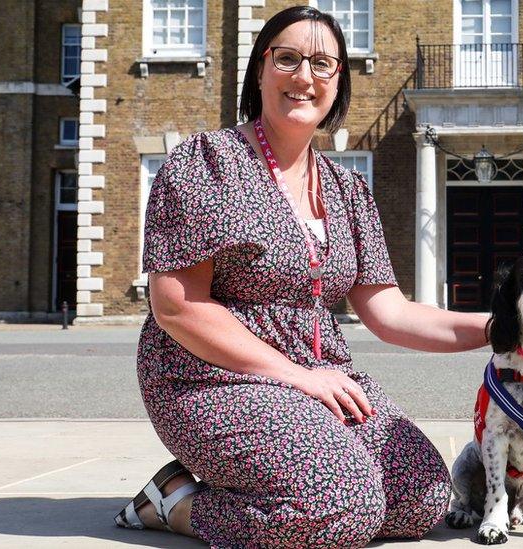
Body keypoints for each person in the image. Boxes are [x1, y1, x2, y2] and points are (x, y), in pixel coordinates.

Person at [113, 6, 489, 548]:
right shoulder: (205, 164)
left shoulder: (346, 188)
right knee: (342, 503)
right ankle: (173, 505)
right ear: (260, 71)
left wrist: (502, 327)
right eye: (286, 59)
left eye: (322, 63)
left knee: (421, 497)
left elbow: (391, 312)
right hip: (210, 377)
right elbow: (177, 307)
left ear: (339, 82)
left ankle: (270, 487)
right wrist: (295, 374)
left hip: (318, 380)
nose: (304, 77)